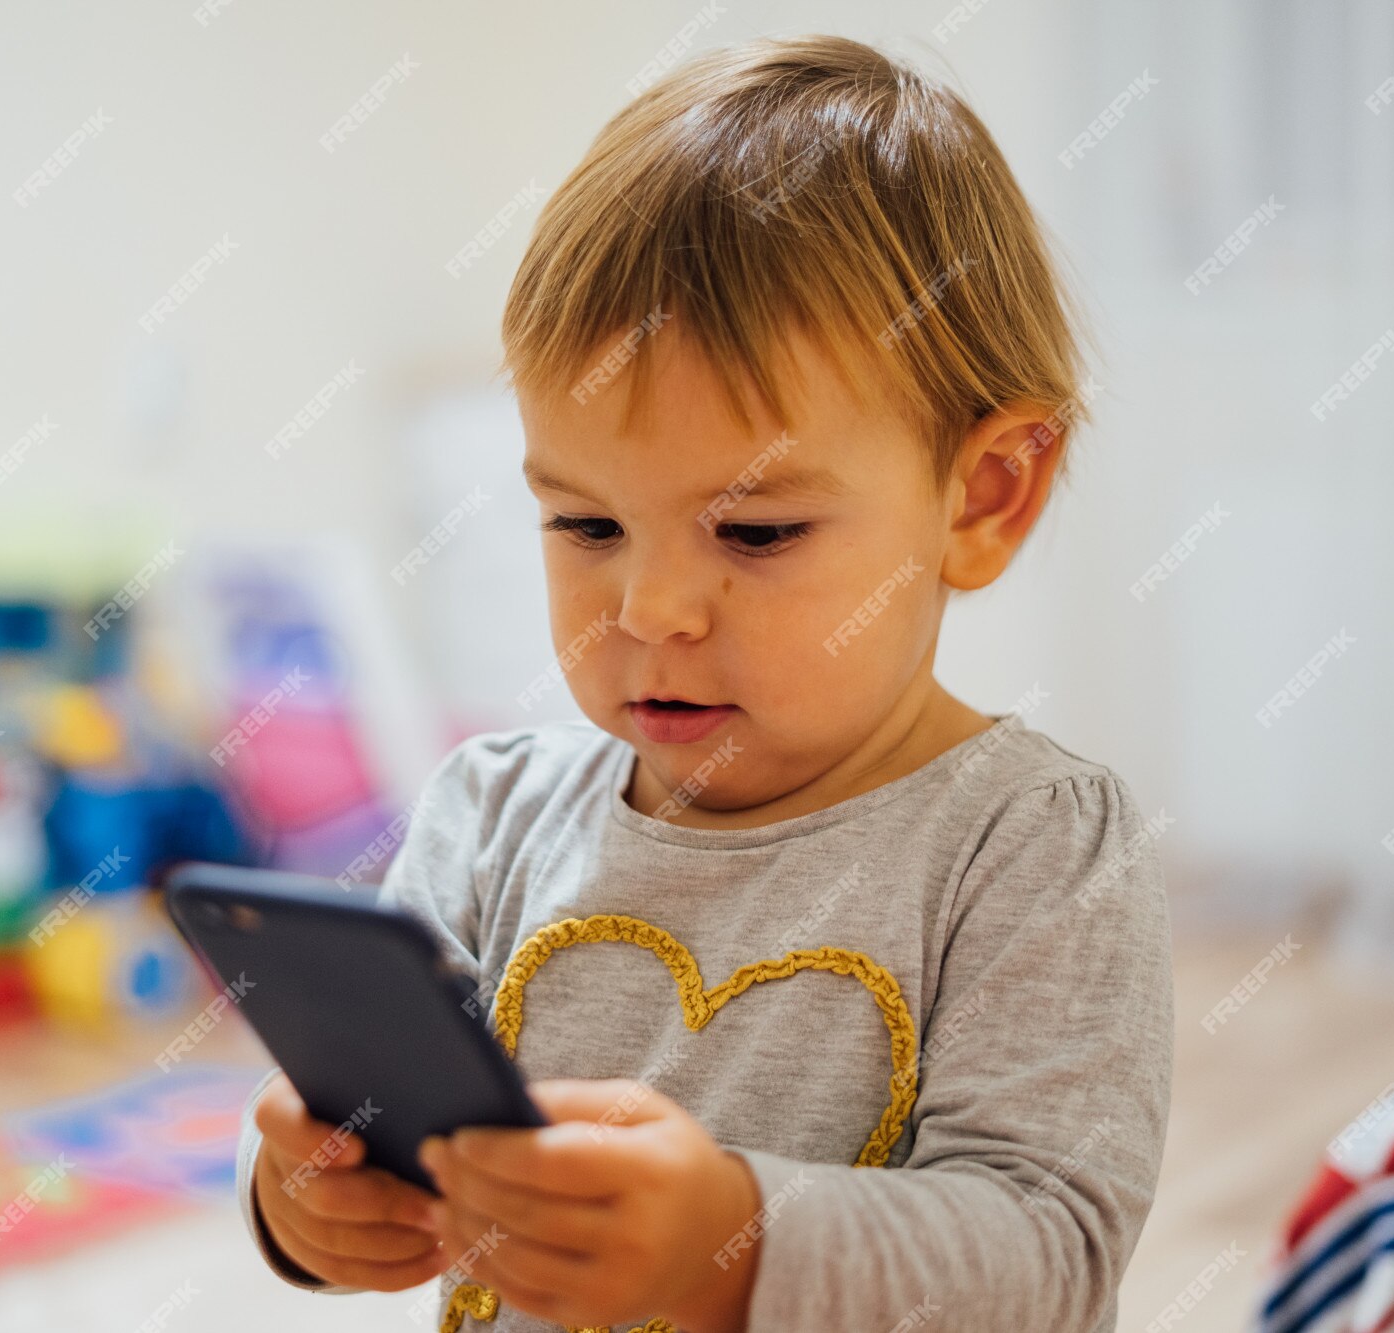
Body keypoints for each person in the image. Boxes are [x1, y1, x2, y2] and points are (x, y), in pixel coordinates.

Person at [234, 33, 1173, 1333]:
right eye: (586, 525)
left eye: (755, 533)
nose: (649, 609)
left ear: (985, 494)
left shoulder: (1030, 850)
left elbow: (1044, 1253)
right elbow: (349, 1124)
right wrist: (300, 1192)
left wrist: (732, 1241)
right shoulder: (488, 816)